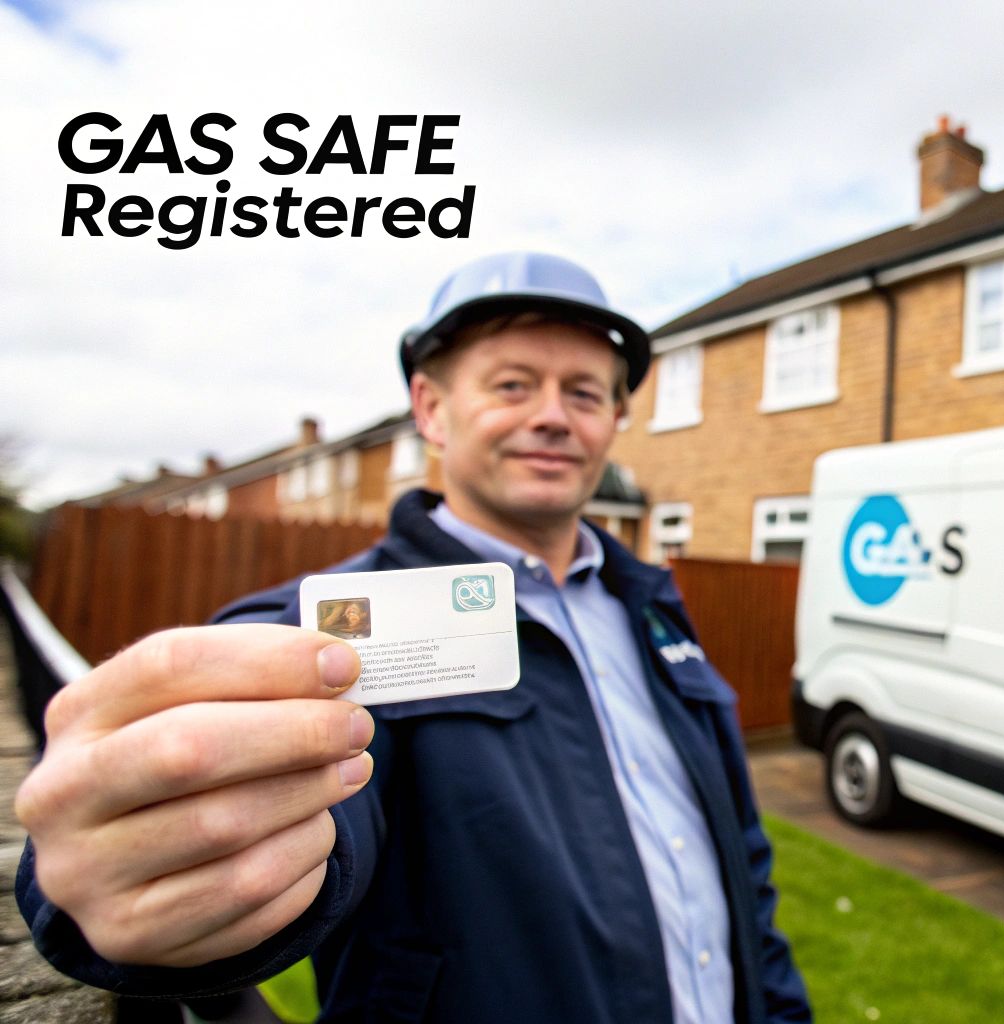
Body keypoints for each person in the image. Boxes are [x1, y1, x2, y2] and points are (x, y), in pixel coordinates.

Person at [14, 252, 814, 1023]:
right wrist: (142, 847)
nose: (552, 416)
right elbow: (276, 796)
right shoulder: (340, 627)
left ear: (614, 419)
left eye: (583, 392)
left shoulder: (655, 609)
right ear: (431, 409)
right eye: (513, 385)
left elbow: (745, 869)